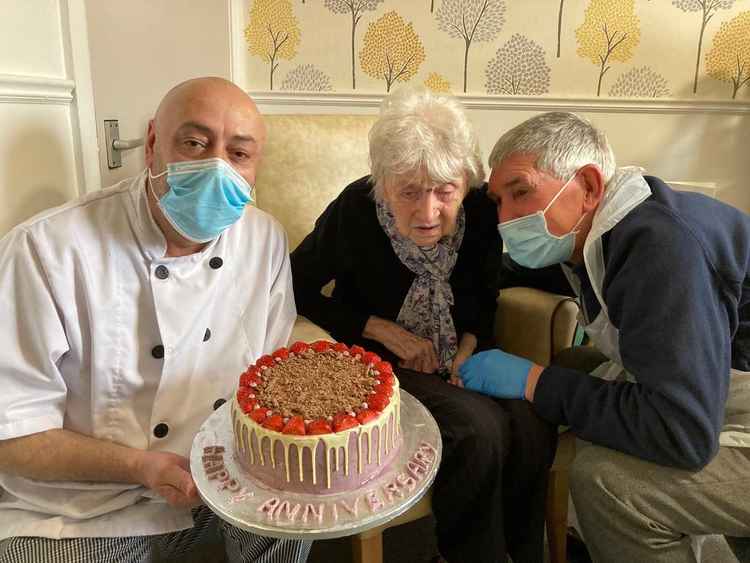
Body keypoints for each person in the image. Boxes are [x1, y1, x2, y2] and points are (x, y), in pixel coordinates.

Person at [0, 77, 311, 563]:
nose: (217, 169)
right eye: (194, 144)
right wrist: (141, 467)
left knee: (300, 501)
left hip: (221, 485)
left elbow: (266, 384)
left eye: (239, 154)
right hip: (83, 510)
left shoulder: (265, 240)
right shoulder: (46, 249)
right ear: (151, 146)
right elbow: (13, 436)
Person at [460, 111, 750, 562]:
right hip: (714, 386)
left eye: (520, 192)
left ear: (590, 187)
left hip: (712, 412)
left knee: (605, 483)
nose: (505, 219)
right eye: (498, 201)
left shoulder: (662, 248)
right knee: (576, 368)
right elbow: (510, 271)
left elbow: (683, 434)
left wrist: (534, 381)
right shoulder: (595, 235)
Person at [291, 87, 557, 563]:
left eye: (444, 191)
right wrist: (378, 328)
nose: (429, 211)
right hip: (380, 364)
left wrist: (469, 346)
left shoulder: (479, 210)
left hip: (461, 354)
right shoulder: (355, 210)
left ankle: (522, 553)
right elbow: (294, 285)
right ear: (383, 184)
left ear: (464, 182)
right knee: (478, 428)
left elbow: (484, 295)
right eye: (409, 192)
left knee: (531, 420)